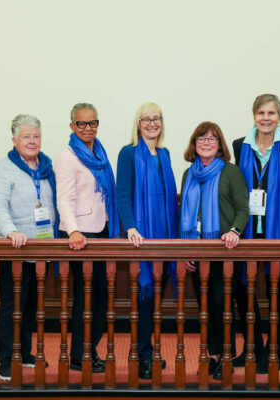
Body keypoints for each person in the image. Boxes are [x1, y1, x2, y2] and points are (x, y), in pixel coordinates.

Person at [232, 94, 280, 373]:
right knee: (242, 290)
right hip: (246, 230)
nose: (266, 118)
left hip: (278, 231)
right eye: (261, 112)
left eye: (271, 113)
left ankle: (275, 351)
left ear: (279, 117)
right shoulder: (240, 146)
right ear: (254, 115)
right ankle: (253, 349)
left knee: (278, 293)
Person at [0, 114, 59, 381]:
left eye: (36, 136)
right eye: (27, 136)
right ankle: (5, 360)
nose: (32, 141)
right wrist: (11, 232)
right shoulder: (3, 168)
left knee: (30, 303)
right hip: (13, 248)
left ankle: (24, 353)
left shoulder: (46, 166)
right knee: (11, 305)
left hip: (41, 246)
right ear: (14, 139)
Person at [181, 121, 249, 380]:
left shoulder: (230, 172)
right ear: (194, 144)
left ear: (220, 145)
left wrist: (234, 231)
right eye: (201, 138)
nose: (206, 143)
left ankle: (225, 357)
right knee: (205, 308)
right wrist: (185, 249)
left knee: (222, 307)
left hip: (224, 253)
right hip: (197, 254)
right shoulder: (189, 174)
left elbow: (243, 209)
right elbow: (185, 215)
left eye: (212, 139)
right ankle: (211, 356)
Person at [55, 102, 120, 373]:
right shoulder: (67, 156)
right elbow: (64, 199)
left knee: (102, 299)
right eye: (81, 123)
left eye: (92, 123)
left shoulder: (101, 154)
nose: (87, 128)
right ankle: (80, 355)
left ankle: (88, 350)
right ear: (72, 126)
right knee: (86, 298)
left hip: (102, 230)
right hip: (79, 235)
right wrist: (73, 230)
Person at [116, 102, 178, 379]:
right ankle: (141, 355)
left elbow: (169, 199)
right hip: (141, 239)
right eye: (146, 119)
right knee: (144, 301)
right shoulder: (128, 153)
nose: (152, 123)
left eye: (157, 118)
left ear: (162, 123)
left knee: (156, 301)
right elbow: (123, 195)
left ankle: (150, 349)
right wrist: (130, 226)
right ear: (138, 123)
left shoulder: (164, 155)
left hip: (165, 239)